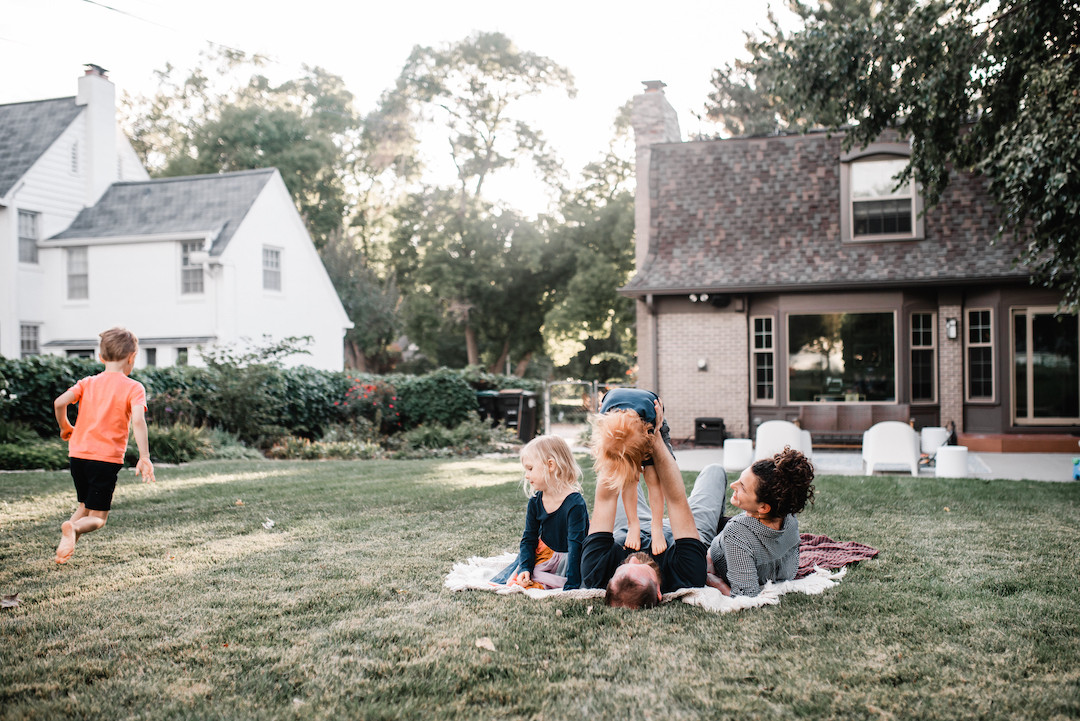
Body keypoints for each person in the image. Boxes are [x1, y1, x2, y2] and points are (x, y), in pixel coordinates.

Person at [581, 398, 729, 608]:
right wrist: (656, 434)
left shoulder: (595, 571)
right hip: (684, 536)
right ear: (659, 592)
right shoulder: (688, 575)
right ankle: (718, 524)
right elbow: (676, 501)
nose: (633, 559)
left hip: (634, 525)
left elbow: (606, 499)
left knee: (624, 475)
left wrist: (612, 430)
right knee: (714, 471)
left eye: (623, 567)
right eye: (641, 569)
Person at [53, 327, 155, 564]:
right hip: (105, 459)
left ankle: (65, 550)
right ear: (131, 359)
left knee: (84, 505)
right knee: (98, 517)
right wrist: (144, 456)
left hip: (78, 455)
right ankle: (74, 529)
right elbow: (138, 421)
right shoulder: (134, 387)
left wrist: (65, 427)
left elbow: (59, 402)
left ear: (101, 357)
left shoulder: (87, 383)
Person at [706, 447, 815, 597]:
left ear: (763, 507)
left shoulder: (736, 533)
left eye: (742, 487)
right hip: (733, 535)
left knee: (713, 472)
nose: (733, 485)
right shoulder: (789, 517)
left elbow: (745, 594)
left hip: (706, 544)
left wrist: (710, 579)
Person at [490, 435, 589, 590]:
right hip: (543, 556)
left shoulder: (574, 503)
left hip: (568, 560)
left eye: (530, 469)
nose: (526, 475)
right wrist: (525, 568)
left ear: (550, 465)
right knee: (521, 578)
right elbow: (529, 539)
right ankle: (530, 573)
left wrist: (573, 584)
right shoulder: (535, 502)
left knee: (546, 579)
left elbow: (576, 545)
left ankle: (550, 579)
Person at [591, 387, 674, 556]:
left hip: (652, 422)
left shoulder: (651, 422)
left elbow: (657, 482)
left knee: (653, 476)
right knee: (628, 477)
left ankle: (656, 526)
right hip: (616, 417)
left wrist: (653, 435)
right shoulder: (606, 423)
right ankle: (633, 524)